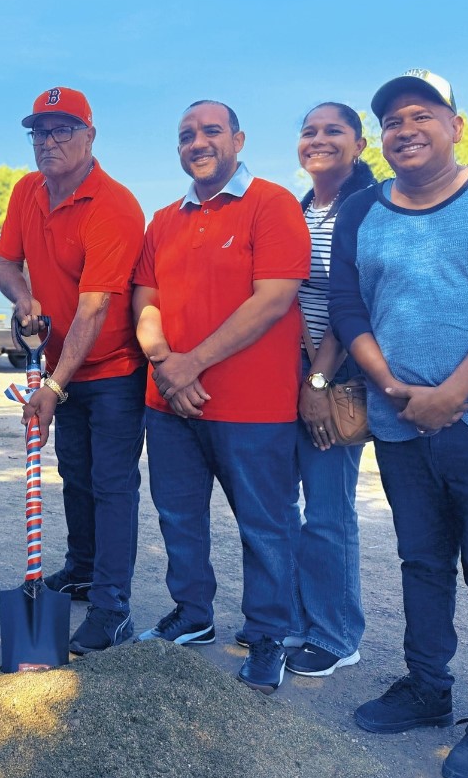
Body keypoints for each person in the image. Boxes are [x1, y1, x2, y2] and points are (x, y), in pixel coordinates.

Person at [330, 70, 468, 778]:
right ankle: (426, 686)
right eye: (391, 121)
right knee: (420, 560)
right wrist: (393, 388)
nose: (404, 129)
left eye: (422, 114)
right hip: (399, 424)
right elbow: (348, 307)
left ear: (454, 125)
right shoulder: (361, 211)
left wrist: (451, 392)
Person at [133, 100, 310, 695]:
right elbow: (145, 300)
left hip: (253, 407)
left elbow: (273, 300)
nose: (198, 142)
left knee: (265, 525)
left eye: (211, 131)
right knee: (178, 516)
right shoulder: (163, 220)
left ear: (238, 138)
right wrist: (163, 364)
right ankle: (193, 615)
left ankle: (268, 636)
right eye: (187, 135)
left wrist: (190, 365)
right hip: (170, 405)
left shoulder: (272, 203)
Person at [0, 86, 146, 654]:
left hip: (111, 371)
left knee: (112, 486)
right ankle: (82, 569)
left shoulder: (113, 204)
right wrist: (23, 298)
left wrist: (54, 387)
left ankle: (112, 608)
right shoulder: (27, 190)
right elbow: (7, 263)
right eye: (39, 132)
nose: (48, 142)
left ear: (90, 135)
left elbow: (96, 305)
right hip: (62, 366)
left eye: (62, 130)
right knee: (75, 475)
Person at [285, 103, 376, 678]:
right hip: (289, 375)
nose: (319, 139)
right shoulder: (297, 211)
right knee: (281, 507)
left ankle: (337, 634)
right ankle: (296, 618)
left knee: (326, 511)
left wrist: (318, 378)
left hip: (334, 378)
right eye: (309, 131)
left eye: (334, 130)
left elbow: (352, 304)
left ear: (360, 145)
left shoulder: (370, 207)